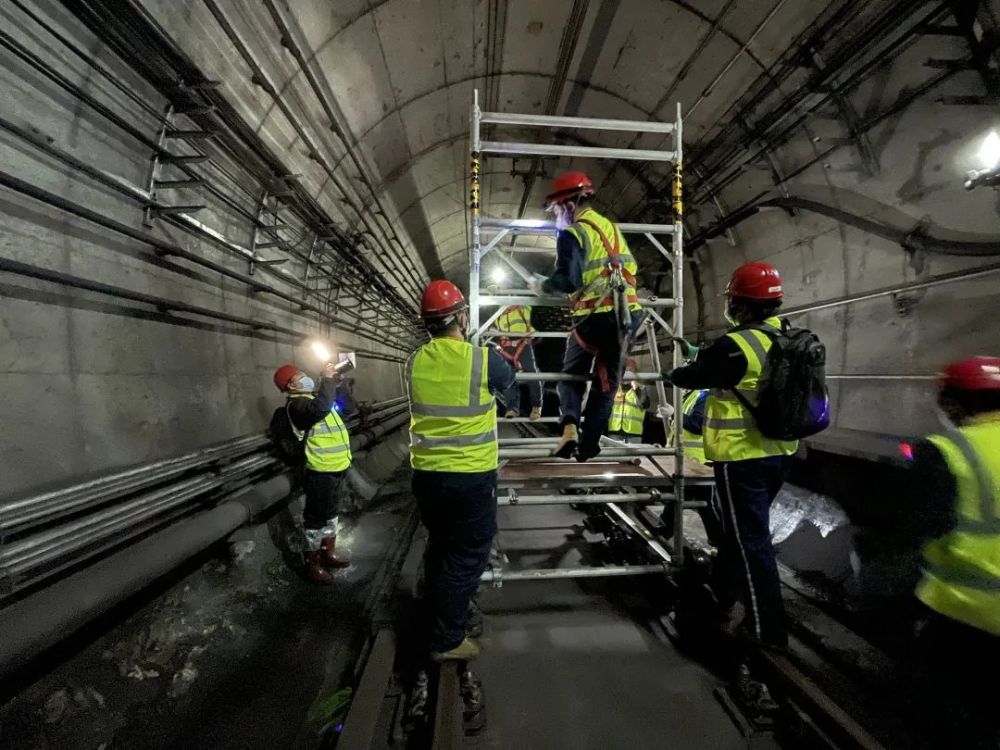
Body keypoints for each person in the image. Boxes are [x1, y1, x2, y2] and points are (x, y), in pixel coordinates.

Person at [668, 261, 798, 649]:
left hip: (742, 459)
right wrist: (700, 355)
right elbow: (728, 366)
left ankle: (767, 629)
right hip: (780, 453)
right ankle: (723, 593)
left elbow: (698, 374)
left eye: (732, 302)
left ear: (740, 306)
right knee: (737, 534)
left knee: (749, 541)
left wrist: (673, 375)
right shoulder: (785, 336)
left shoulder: (735, 344)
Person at [407, 280, 516, 662]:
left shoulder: (414, 361)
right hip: (469, 478)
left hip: (427, 477)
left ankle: (438, 610)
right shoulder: (484, 359)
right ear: (462, 317)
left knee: (440, 546)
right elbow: (510, 393)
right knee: (467, 555)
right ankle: (448, 638)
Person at [905, 356, 1000, 745]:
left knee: (950, 713)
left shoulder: (943, 451)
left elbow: (918, 525)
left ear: (952, 403)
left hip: (962, 608)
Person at [535, 171, 643, 461]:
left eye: (557, 209)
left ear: (568, 205)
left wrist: (541, 286)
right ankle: (589, 446)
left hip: (594, 319)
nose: (556, 216)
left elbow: (569, 281)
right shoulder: (611, 228)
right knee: (606, 384)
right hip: (628, 316)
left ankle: (570, 427)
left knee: (570, 374)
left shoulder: (573, 233)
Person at [271, 361, 355, 584]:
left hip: (337, 466)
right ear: (291, 385)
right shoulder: (297, 407)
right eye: (300, 376)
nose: (306, 377)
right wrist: (326, 381)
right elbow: (320, 409)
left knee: (331, 513)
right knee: (316, 519)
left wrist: (337, 384)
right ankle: (313, 563)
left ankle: (329, 553)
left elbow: (349, 409)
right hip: (320, 469)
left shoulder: (316, 399)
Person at [494, 304, 543, 420]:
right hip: (508, 346)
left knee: (531, 373)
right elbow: (499, 332)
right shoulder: (498, 316)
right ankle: (512, 408)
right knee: (508, 376)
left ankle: (537, 406)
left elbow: (533, 322)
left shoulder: (524, 308)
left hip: (523, 344)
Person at [607, 359, 649, 443]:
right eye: (625, 370)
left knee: (633, 456)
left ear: (635, 373)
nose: (627, 373)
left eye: (630, 370)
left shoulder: (640, 389)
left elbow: (645, 404)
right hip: (614, 433)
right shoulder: (613, 387)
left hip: (633, 435)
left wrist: (637, 388)